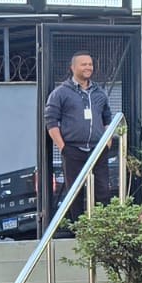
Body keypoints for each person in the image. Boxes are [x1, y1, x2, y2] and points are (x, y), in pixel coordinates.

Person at [44, 50, 113, 221]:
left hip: (98, 150)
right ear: (73, 67)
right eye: (84, 64)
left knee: (103, 191)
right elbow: (51, 121)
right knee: (75, 193)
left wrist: (107, 143)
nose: (88, 67)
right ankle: (78, 230)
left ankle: (102, 227)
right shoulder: (60, 93)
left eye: (90, 64)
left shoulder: (99, 92)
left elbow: (107, 118)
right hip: (73, 150)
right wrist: (63, 147)